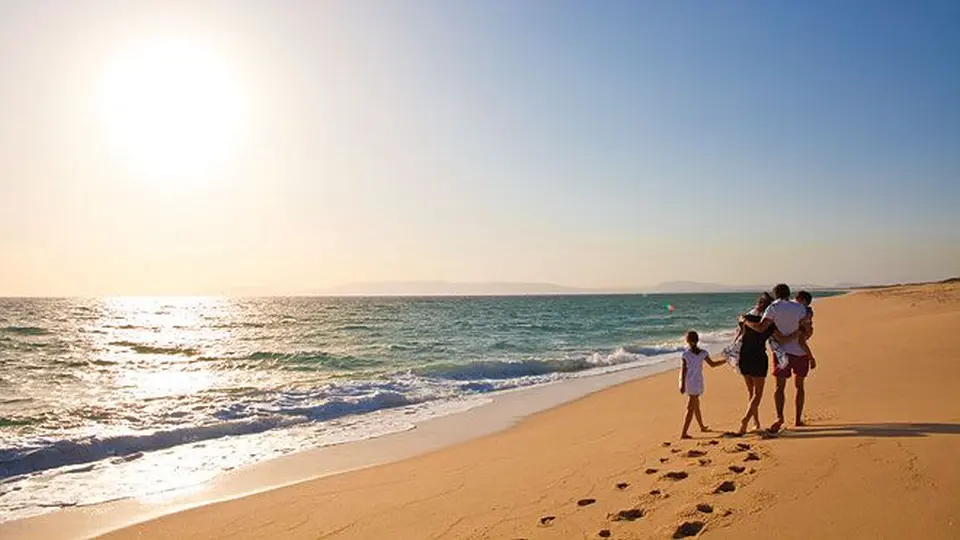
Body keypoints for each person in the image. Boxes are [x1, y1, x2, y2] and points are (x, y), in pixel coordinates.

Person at [740, 283, 812, 432]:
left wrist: (745, 321)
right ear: (788, 293)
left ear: (775, 294)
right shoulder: (799, 308)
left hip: (781, 353)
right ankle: (798, 419)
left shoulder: (773, 308)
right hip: (800, 352)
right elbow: (807, 328)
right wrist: (800, 334)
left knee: (780, 387)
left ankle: (780, 417)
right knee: (799, 386)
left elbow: (761, 327)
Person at [732, 292, 775, 436]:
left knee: (751, 393)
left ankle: (756, 423)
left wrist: (743, 321)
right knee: (757, 394)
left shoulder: (746, 317)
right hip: (758, 357)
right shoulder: (770, 322)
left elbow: (738, 335)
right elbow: (780, 337)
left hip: (744, 356)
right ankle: (745, 421)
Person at [679, 330, 726, 439]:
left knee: (694, 406)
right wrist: (725, 361)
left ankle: (699, 427)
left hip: (689, 382)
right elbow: (713, 364)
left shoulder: (685, 354)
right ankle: (684, 433)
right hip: (698, 382)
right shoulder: (703, 353)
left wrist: (682, 385)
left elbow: (683, 371)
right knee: (692, 407)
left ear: (687, 341)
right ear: (697, 340)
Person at [795, 290, 816, 366]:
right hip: (802, 328)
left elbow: (805, 320)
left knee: (801, 342)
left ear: (804, 301)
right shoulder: (799, 309)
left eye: (798, 298)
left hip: (805, 329)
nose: (795, 299)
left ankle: (811, 358)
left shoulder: (808, 310)